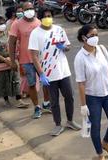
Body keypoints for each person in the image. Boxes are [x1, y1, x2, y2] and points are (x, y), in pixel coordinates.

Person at [74, 25, 108, 160]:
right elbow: (81, 84)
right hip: (92, 97)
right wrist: (83, 105)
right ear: (84, 38)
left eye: (97, 34)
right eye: (92, 35)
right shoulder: (80, 58)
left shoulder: (102, 49)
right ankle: (100, 154)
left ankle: (105, 142)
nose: (95, 37)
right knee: (95, 128)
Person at [28, 6, 80, 136]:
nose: (47, 18)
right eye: (45, 16)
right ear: (40, 18)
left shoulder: (59, 30)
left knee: (69, 97)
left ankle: (70, 121)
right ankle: (57, 125)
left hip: (63, 71)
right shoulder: (35, 33)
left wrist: (64, 47)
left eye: (49, 16)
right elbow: (34, 56)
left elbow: (68, 46)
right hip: (48, 74)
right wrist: (41, 74)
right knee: (54, 101)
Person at [9, 2, 52, 114]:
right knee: (31, 84)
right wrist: (12, 61)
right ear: (22, 11)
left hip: (41, 59)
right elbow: (11, 43)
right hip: (26, 60)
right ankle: (37, 107)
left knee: (46, 82)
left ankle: (46, 103)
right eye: (27, 9)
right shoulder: (17, 24)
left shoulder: (39, 22)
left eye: (31, 8)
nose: (30, 10)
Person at [0, 15, 21, 106]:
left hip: (10, 58)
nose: (3, 25)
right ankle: (6, 100)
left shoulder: (8, 33)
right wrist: (5, 60)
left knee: (15, 78)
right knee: (2, 81)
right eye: (1, 24)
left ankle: (19, 99)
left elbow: (12, 45)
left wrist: (12, 58)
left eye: (4, 23)